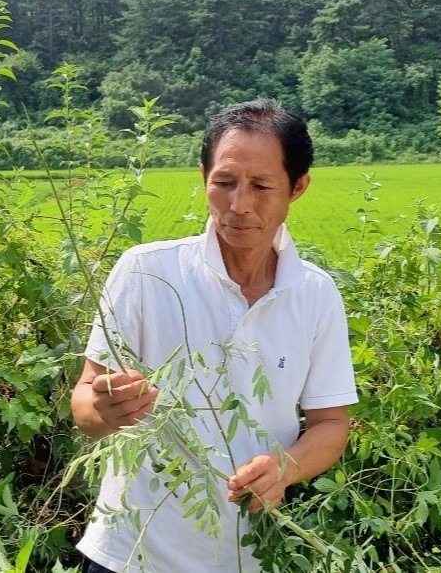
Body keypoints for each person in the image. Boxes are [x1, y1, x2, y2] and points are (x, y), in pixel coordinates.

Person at [71, 98, 358, 573]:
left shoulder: (314, 293)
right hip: (130, 552)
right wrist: (106, 408)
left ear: (298, 187)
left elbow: (331, 425)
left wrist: (286, 468)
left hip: (250, 556)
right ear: (204, 176)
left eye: (262, 186)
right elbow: (85, 402)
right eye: (223, 183)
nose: (239, 205)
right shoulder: (145, 272)